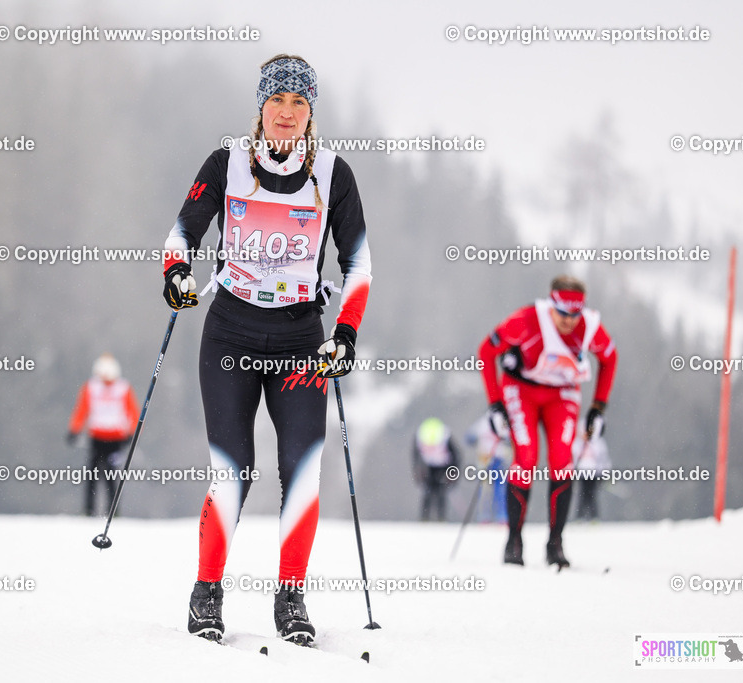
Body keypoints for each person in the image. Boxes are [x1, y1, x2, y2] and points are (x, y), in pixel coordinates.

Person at [160, 54, 372, 644]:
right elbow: (183, 231)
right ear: (260, 105)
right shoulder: (227, 162)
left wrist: (346, 335)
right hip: (229, 331)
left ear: (311, 111)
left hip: (301, 341)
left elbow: (358, 265)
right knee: (232, 471)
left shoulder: (334, 174)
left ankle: (292, 600)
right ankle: (207, 595)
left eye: (299, 103)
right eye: (277, 101)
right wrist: (178, 273)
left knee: (301, 473)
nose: (286, 113)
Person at [477, 275, 617, 568]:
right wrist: (495, 405)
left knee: (562, 459)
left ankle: (556, 543)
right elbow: (486, 352)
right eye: (563, 312)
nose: (569, 320)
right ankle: (514, 541)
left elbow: (609, 358)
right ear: (551, 304)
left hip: (562, 394)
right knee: (526, 457)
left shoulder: (589, 326)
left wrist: (598, 407)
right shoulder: (526, 320)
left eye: (575, 313)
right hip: (522, 390)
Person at [66, 354, 139, 517]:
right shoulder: (91, 387)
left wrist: (131, 433)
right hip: (97, 438)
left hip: (116, 440)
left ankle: (113, 511)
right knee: (91, 475)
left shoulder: (123, 388)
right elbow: (82, 410)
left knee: (111, 477)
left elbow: (133, 413)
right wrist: (74, 429)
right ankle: (89, 510)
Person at [463, 415, 510, 524]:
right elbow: (470, 438)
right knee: (488, 489)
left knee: (496, 489)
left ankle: (499, 516)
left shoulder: (487, 421)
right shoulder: (486, 422)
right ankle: (488, 517)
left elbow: (470, 438)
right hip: (486, 460)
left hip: (498, 460)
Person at [412, 417, 459, 521]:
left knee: (441, 491)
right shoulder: (421, 437)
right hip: (428, 467)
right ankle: (424, 518)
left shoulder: (446, 437)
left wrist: (453, 472)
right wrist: (417, 470)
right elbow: (415, 456)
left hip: (443, 466)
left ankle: (441, 518)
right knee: (427, 491)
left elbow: (456, 456)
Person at [573, 436, 610, 521]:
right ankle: (580, 517)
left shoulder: (598, 442)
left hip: (594, 472)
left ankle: (594, 517)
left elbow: (603, 459)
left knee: (592, 494)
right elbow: (574, 457)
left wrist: (604, 473)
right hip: (582, 472)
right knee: (582, 494)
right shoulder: (578, 443)